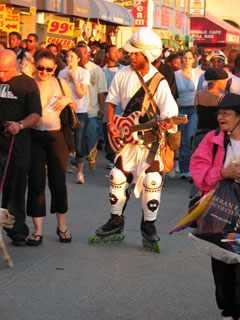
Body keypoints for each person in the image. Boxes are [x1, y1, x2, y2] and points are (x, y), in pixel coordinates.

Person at [93, 27, 178, 244]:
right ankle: (115, 220)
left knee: (152, 179)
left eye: (135, 53)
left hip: (150, 142)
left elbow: (170, 111)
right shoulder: (121, 75)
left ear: (146, 55)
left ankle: (148, 225)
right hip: (126, 141)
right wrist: (111, 122)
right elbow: (111, 101)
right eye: (131, 53)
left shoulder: (159, 81)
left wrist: (168, 121)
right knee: (118, 176)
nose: (131, 56)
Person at [190, 93, 240, 320]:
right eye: (219, 113)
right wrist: (222, 173)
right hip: (220, 214)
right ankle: (227, 312)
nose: (220, 117)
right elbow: (198, 173)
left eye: (226, 113)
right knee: (221, 268)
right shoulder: (212, 139)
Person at [26, 50, 77, 246]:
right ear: (35, 66)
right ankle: (37, 230)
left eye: (48, 69)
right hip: (34, 136)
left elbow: (72, 102)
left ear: (55, 68)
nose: (44, 72)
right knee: (36, 183)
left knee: (58, 182)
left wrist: (67, 100)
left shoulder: (60, 83)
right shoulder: (30, 84)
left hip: (57, 137)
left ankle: (62, 226)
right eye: (40, 68)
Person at [0, 49, 41, 246]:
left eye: (5, 71)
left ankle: (16, 231)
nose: (1, 76)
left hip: (17, 142)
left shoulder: (27, 84)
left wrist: (21, 125)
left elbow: (36, 115)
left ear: (15, 66)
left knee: (14, 188)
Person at [59, 47, 90, 184]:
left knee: (78, 143)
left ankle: (80, 172)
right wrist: (67, 78)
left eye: (72, 56)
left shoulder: (84, 73)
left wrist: (75, 79)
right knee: (65, 142)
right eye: (67, 56)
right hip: (65, 110)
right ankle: (61, 169)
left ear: (78, 58)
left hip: (80, 111)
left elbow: (81, 93)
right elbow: (60, 91)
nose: (69, 59)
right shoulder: (62, 72)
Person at [78, 44, 107, 170]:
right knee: (76, 137)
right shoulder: (71, 70)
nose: (81, 56)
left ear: (88, 54)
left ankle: (90, 154)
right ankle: (76, 162)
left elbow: (101, 91)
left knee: (91, 134)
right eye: (78, 53)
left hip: (92, 110)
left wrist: (101, 108)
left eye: (84, 53)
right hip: (76, 110)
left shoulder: (96, 70)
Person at [174, 49, 203, 180]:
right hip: (180, 109)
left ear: (193, 60)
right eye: (185, 58)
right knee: (182, 141)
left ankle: (190, 168)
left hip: (193, 109)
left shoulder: (199, 73)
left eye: (189, 58)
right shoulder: (176, 74)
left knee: (189, 138)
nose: (186, 60)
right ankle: (183, 168)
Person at [102, 45, 124, 169]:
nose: (117, 54)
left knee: (121, 133)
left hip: (121, 108)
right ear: (107, 54)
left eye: (118, 52)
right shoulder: (102, 71)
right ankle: (111, 158)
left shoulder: (123, 70)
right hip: (108, 107)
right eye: (113, 52)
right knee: (108, 134)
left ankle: (119, 158)